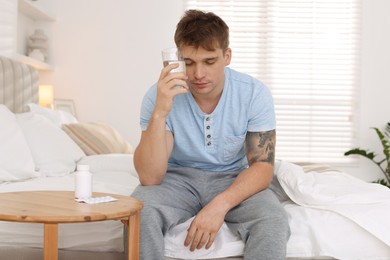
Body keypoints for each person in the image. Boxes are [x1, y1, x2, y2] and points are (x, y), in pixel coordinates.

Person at [131, 9, 290, 260]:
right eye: (189, 62)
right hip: (177, 180)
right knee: (139, 212)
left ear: (227, 56)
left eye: (209, 61)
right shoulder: (158, 95)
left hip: (232, 178)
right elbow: (150, 177)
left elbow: (262, 167)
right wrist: (161, 111)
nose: (198, 74)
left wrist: (219, 205)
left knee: (273, 218)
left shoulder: (254, 93)